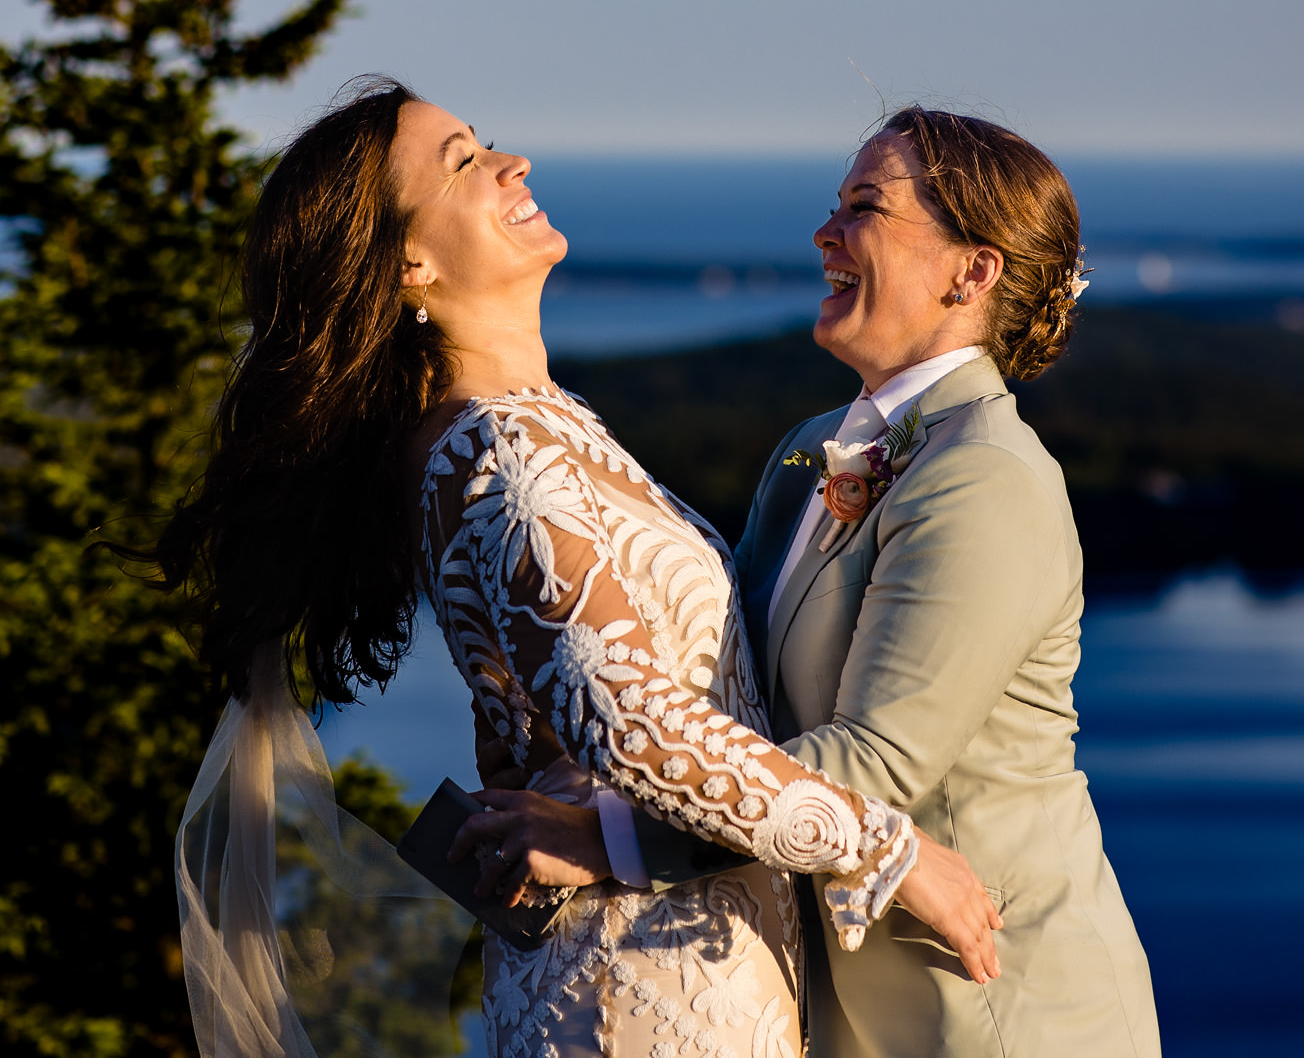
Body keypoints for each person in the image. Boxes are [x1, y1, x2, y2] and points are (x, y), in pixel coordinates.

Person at [157, 78, 999, 1058]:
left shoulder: (518, 430)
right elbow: (636, 730)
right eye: (461, 161)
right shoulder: (503, 454)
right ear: (410, 263)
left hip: (660, 960)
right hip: (636, 996)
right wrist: (891, 851)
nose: (509, 162)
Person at [487, 108, 1161, 1056]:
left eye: (865, 208)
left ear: (972, 271)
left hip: (994, 1008)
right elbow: (746, 702)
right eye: (834, 205)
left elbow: (875, 763)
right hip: (850, 1007)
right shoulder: (813, 451)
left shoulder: (989, 475)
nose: (825, 233)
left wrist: (617, 840)